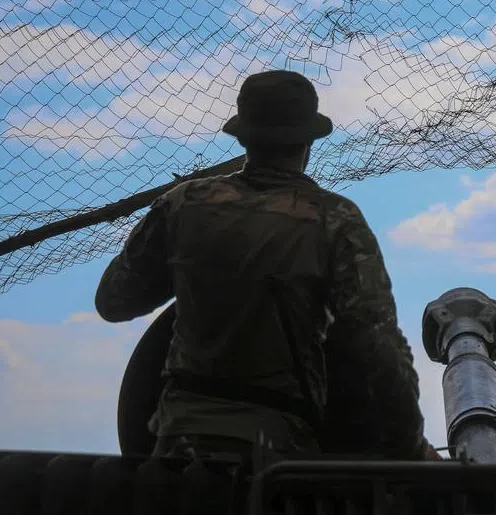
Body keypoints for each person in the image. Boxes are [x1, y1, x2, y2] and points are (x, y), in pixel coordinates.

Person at [95, 70, 440, 466]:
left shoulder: (183, 204)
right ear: (308, 140)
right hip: (278, 458)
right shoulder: (334, 220)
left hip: (177, 451)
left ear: (242, 136)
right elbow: (378, 350)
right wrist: (411, 449)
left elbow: (114, 301)